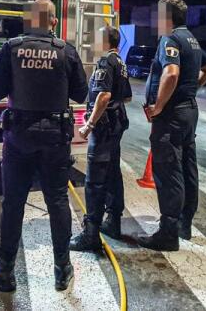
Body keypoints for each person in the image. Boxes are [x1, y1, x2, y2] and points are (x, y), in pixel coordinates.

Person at [0, 0, 88, 292]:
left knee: (13, 203)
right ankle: (62, 269)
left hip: (19, 136)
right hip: (55, 137)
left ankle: (5, 270)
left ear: (29, 21)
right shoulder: (65, 51)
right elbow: (81, 95)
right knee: (57, 201)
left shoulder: (12, 48)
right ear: (53, 22)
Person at [138, 0, 206, 251]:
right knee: (186, 167)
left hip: (171, 116)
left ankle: (168, 233)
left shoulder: (170, 39)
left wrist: (158, 106)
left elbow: (171, 73)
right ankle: (184, 224)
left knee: (169, 171)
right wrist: (191, 91)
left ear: (167, 17)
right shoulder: (191, 39)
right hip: (189, 112)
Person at [69, 26, 131, 251]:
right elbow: (127, 97)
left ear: (105, 41)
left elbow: (103, 96)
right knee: (113, 174)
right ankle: (113, 221)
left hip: (103, 128)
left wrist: (89, 124)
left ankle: (91, 234)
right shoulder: (121, 63)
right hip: (116, 126)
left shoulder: (105, 62)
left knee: (94, 180)